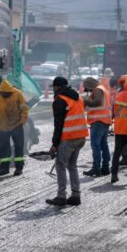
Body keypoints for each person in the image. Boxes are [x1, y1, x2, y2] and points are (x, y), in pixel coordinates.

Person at [46, 77, 88, 207]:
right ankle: (76, 195)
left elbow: (58, 124)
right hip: (81, 136)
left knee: (60, 165)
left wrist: (54, 144)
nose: (53, 89)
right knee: (72, 166)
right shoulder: (77, 97)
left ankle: (61, 196)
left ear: (57, 87)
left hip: (69, 137)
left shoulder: (60, 100)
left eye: (53, 87)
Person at [0, 79, 29, 176]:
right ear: (0, 91)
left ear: (11, 91)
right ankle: (4, 168)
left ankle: (19, 168)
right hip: (3, 126)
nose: (4, 95)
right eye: (3, 93)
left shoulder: (18, 94)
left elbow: (24, 108)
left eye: (6, 93)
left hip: (17, 125)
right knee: (4, 148)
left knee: (19, 147)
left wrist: (23, 120)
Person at [81, 76, 111, 177]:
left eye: (88, 88)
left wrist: (86, 101)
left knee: (96, 145)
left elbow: (98, 102)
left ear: (90, 85)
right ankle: (106, 168)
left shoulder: (97, 90)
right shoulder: (103, 89)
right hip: (105, 121)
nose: (88, 91)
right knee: (103, 145)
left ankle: (96, 168)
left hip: (98, 121)